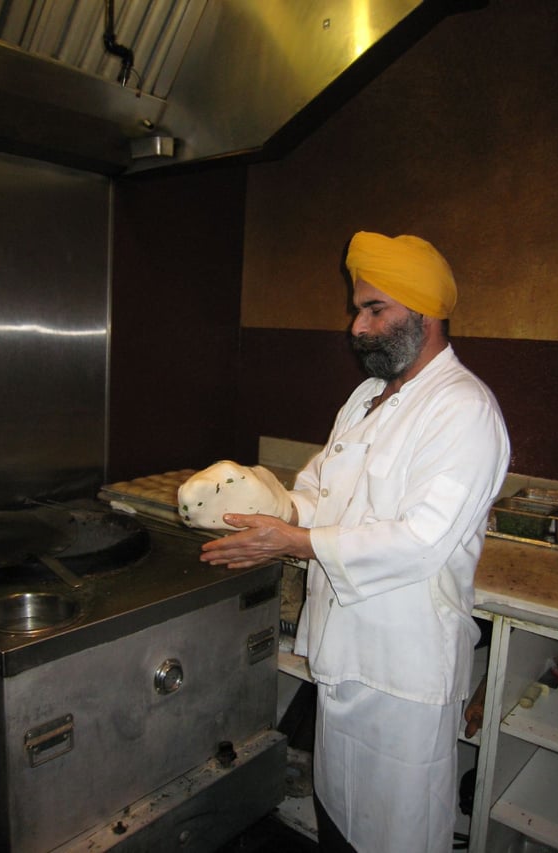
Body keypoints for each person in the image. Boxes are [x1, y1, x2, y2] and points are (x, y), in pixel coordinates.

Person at [200, 231, 510, 853]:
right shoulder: (369, 397)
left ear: (426, 315)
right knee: (339, 817)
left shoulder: (463, 408)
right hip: (344, 658)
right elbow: (319, 488)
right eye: (357, 309)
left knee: (397, 833)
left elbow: (421, 540)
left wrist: (295, 541)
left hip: (404, 673)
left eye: (375, 310)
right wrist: (266, 510)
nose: (356, 327)